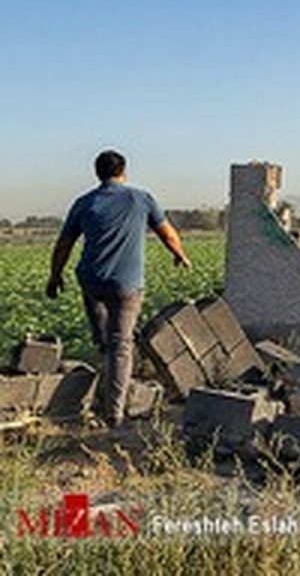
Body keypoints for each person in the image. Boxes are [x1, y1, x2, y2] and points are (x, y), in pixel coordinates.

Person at [45, 150, 191, 427]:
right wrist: (179, 254)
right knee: (121, 346)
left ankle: (105, 386)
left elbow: (64, 244)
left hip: (91, 281)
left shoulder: (84, 203)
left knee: (106, 341)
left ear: (97, 173)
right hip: (126, 286)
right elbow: (168, 233)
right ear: (123, 171)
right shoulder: (141, 198)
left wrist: (55, 277)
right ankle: (113, 414)